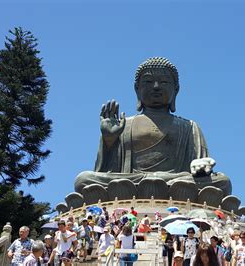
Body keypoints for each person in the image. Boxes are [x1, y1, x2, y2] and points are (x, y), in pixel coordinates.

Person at [74, 57, 232, 197]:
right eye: (148, 82)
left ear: (176, 90)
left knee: (222, 181)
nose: (156, 87)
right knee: (84, 179)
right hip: (131, 182)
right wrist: (109, 139)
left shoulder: (189, 127)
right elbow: (105, 171)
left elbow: (201, 167)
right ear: (137, 89)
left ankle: (158, 186)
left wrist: (202, 166)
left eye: (164, 82)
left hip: (178, 181)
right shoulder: (125, 124)